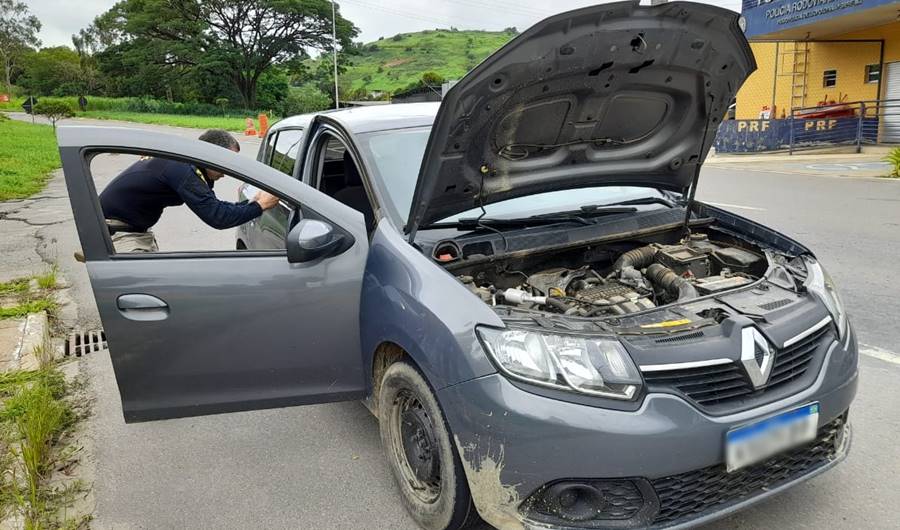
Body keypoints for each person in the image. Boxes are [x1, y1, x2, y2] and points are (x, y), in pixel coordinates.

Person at [99, 129, 279, 253]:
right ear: (210, 154)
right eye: (225, 165)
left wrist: (250, 204)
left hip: (132, 230)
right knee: (142, 297)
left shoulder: (183, 159)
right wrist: (259, 205)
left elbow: (214, 205)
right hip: (119, 234)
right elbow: (218, 216)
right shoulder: (183, 169)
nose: (225, 173)